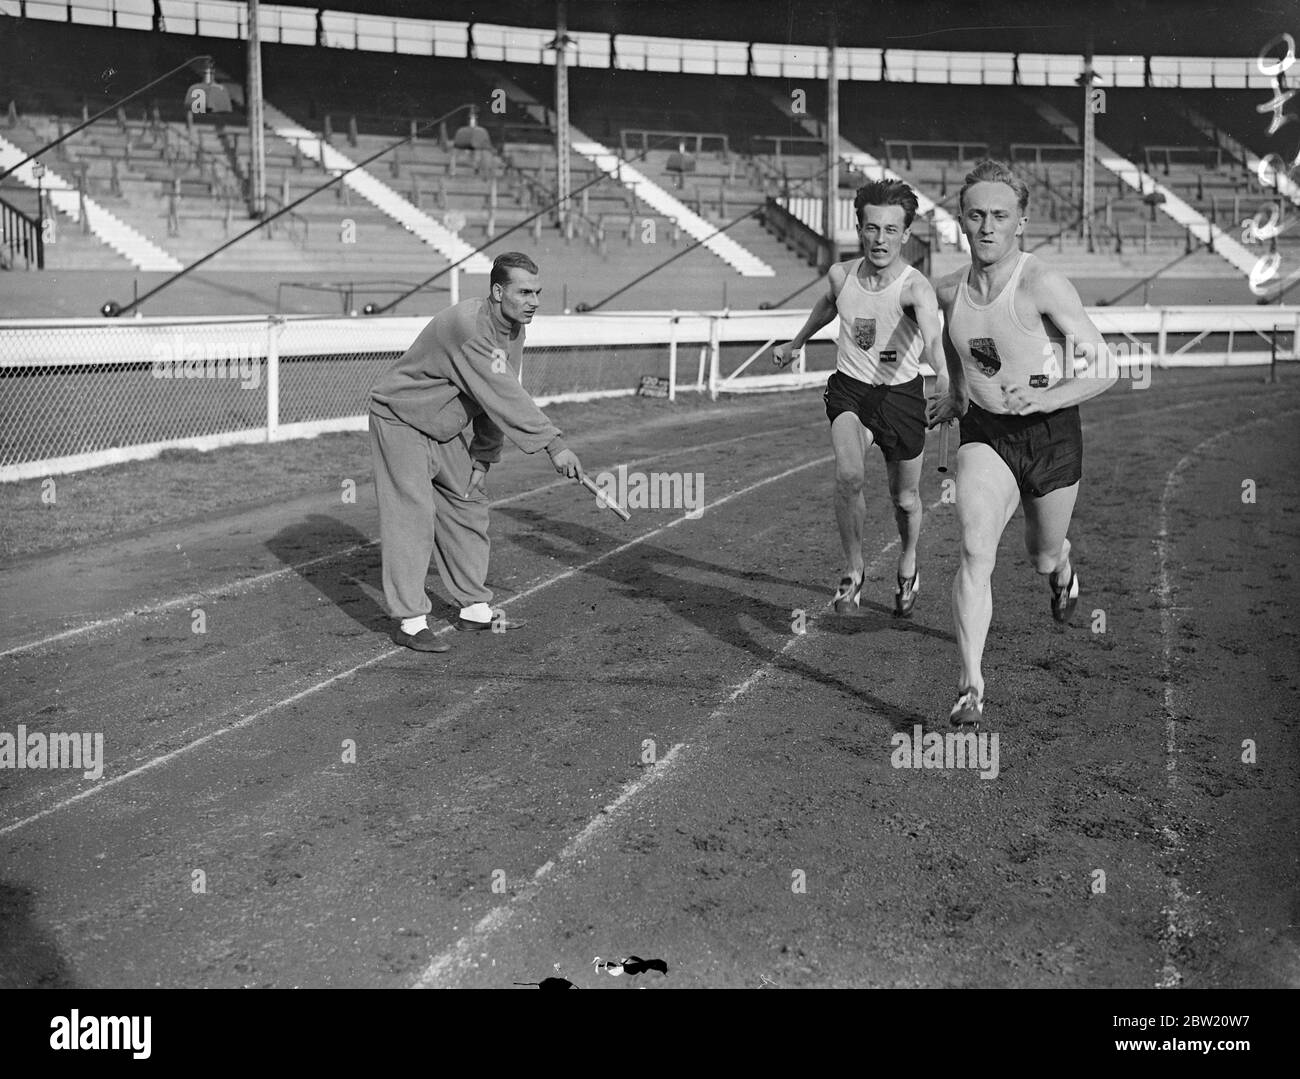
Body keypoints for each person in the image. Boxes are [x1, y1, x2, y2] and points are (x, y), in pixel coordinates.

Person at [926, 160, 1117, 727]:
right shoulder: (946, 291)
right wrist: (958, 396)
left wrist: (1047, 398)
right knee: (974, 548)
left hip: (1051, 434)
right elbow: (954, 343)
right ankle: (970, 687)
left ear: (1021, 223)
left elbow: (1105, 367)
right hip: (986, 434)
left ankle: (1062, 569)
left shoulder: (1042, 283)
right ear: (961, 220)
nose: (987, 227)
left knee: (1041, 554)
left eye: (1000, 216)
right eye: (977, 215)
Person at [368, 252, 582, 652]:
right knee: (412, 514)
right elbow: (503, 393)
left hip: (444, 425)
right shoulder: (467, 326)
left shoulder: (514, 331)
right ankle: (411, 621)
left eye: (537, 292)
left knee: (468, 500)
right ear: (498, 292)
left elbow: (495, 398)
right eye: (524, 292)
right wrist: (554, 445)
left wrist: (483, 457)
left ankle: (474, 610)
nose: (533, 300)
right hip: (401, 419)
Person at [774, 179, 946, 618]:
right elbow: (829, 304)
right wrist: (796, 341)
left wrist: (944, 375)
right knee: (849, 476)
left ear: (906, 234)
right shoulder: (841, 274)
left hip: (901, 399)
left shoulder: (915, 288)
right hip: (850, 389)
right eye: (872, 228)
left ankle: (908, 562)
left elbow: (932, 339)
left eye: (891, 230)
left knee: (905, 499)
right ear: (859, 228)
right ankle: (854, 571)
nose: (880, 239)